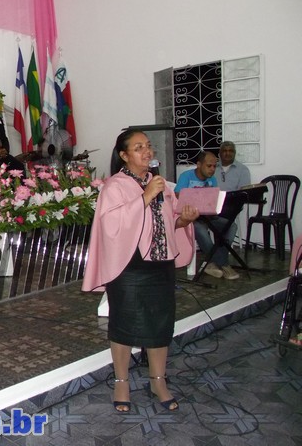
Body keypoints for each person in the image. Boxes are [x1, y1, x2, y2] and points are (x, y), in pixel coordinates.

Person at [82, 129, 198, 413]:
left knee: (161, 324)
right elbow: (111, 225)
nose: (147, 152)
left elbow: (167, 222)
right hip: (129, 266)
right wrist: (145, 196)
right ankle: (121, 382)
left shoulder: (160, 184)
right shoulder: (115, 186)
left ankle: (158, 381)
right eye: (138, 148)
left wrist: (183, 220)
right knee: (124, 324)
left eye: (148, 146)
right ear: (124, 155)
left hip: (161, 264)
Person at [175, 151, 239, 280]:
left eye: (214, 166)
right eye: (209, 166)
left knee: (231, 226)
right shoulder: (186, 176)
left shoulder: (212, 180)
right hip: (191, 218)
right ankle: (223, 263)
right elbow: (178, 197)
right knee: (201, 230)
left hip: (208, 216)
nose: (212, 169)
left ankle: (212, 262)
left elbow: (213, 201)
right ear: (199, 164)